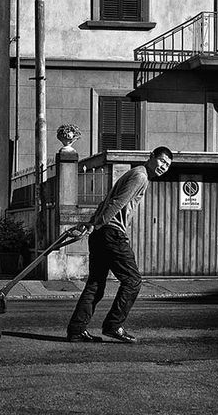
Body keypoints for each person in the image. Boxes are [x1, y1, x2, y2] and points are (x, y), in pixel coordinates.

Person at [66, 146, 173, 344]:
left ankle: (76, 330)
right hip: (112, 233)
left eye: (167, 165)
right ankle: (113, 326)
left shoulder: (136, 175)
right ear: (151, 157)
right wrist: (96, 224)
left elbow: (105, 201)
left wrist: (94, 224)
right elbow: (117, 203)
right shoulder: (140, 175)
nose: (163, 167)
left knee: (95, 284)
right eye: (162, 161)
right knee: (133, 281)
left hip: (101, 233)